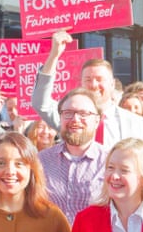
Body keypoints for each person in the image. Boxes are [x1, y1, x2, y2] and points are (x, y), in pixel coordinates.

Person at [30, 31, 143, 147]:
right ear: (81, 84)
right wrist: (54, 55)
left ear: (112, 84)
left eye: (99, 79)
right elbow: (41, 103)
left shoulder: (137, 124)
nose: (93, 85)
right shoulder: (70, 118)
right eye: (88, 79)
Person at [37, 89, 107, 224]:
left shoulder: (110, 162)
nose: (75, 119)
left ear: (97, 120)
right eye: (68, 113)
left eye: (83, 114)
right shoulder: (40, 161)